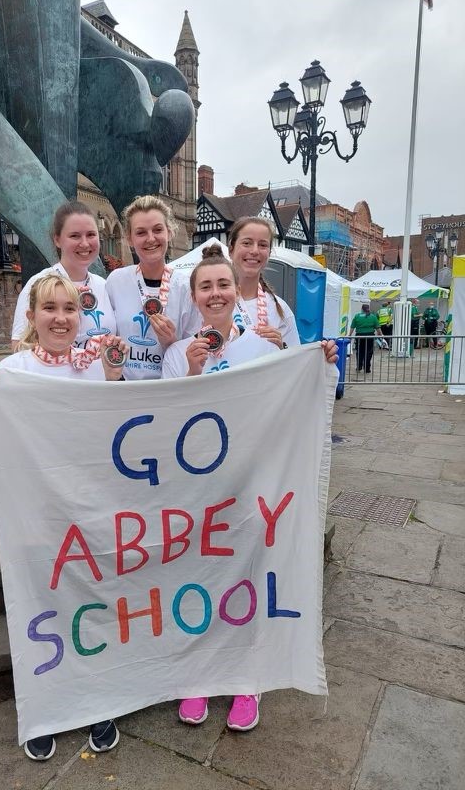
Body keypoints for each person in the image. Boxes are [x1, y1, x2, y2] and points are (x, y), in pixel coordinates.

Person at [162, 255, 337, 729]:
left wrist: (315, 362)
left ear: (233, 292)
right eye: (206, 287)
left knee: (248, 576)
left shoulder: (261, 349)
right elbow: (167, 426)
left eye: (223, 284)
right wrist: (192, 373)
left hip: (250, 486)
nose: (215, 293)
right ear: (194, 297)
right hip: (197, 493)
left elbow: (286, 400)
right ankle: (198, 674)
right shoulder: (177, 355)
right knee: (198, 579)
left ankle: (247, 679)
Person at [0, 274, 127, 761]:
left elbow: (120, 432)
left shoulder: (98, 366)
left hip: (91, 513)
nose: (60, 318)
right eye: (49, 309)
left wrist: (116, 375)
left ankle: (99, 700)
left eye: (70, 309)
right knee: (41, 608)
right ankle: (44, 707)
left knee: (93, 606)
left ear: (81, 315)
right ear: (32, 316)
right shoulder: (11, 371)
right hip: (36, 518)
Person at [106, 195, 201, 380]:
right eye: (141, 232)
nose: (151, 239)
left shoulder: (186, 287)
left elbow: (195, 349)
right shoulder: (116, 281)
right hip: (126, 391)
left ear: (169, 233)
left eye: (158, 230)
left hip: (169, 389)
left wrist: (171, 342)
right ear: (129, 239)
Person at [11, 201, 116, 350]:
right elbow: (19, 347)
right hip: (56, 373)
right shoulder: (39, 283)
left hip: (100, 373)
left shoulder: (104, 285)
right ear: (58, 240)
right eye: (75, 236)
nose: (85, 243)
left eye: (91, 234)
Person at [227, 217, 300, 348]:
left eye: (262, 245)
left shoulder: (281, 310)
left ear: (269, 253)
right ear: (231, 249)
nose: (255, 251)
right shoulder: (210, 301)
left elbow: (294, 363)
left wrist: (281, 348)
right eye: (247, 243)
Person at [349, 303, 382, 373]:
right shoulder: (373, 317)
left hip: (359, 336)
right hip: (369, 336)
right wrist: (381, 335)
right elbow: (378, 328)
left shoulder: (357, 316)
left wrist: (349, 335)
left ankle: (359, 366)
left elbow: (352, 327)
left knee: (360, 352)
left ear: (362, 309)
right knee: (369, 352)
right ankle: (367, 368)